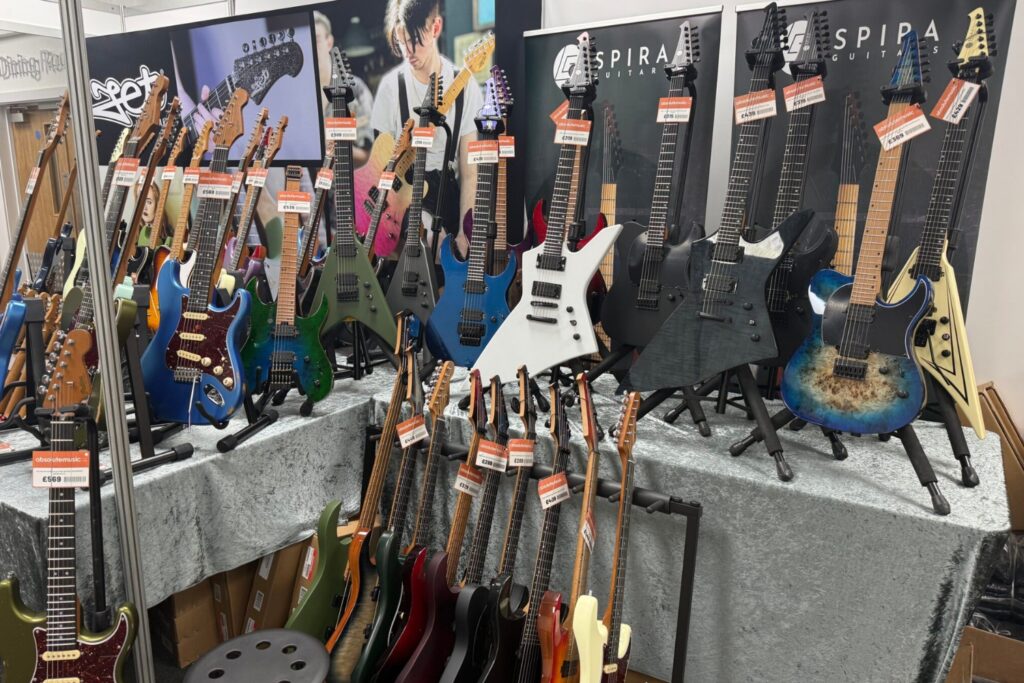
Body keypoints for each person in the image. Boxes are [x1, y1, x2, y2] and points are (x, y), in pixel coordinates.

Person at [371, 0, 483, 257]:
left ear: (436, 28)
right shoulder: (390, 88)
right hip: (403, 199)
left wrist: (466, 233)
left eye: (415, 40)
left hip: (447, 193)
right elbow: (378, 168)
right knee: (430, 241)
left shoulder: (466, 88)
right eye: (401, 42)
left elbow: (470, 173)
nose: (408, 52)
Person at [314, 10, 375, 167]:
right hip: (315, 183)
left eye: (316, 40)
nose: (311, 48)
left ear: (329, 42)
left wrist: (336, 147)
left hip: (352, 181)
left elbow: (372, 155)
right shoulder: (301, 97)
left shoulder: (356, 90)